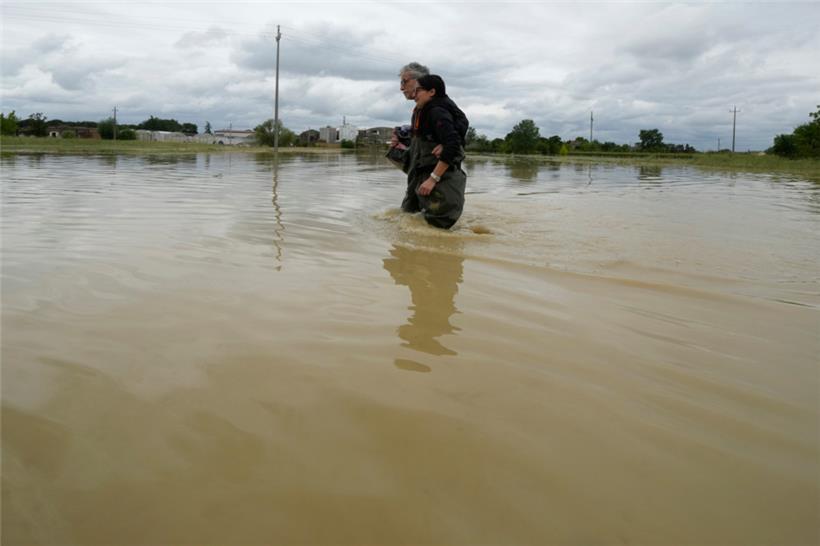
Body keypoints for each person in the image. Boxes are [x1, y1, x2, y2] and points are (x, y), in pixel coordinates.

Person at [400, 74, 467, 229]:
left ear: (431, 92)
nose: (414, 94)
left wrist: (432, 179)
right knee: (412, 220)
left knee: (436, 228)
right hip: (422, 175)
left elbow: (453, 144)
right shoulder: (425, 109)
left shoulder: (436, 110)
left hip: (437, 179)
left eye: (418, 90)